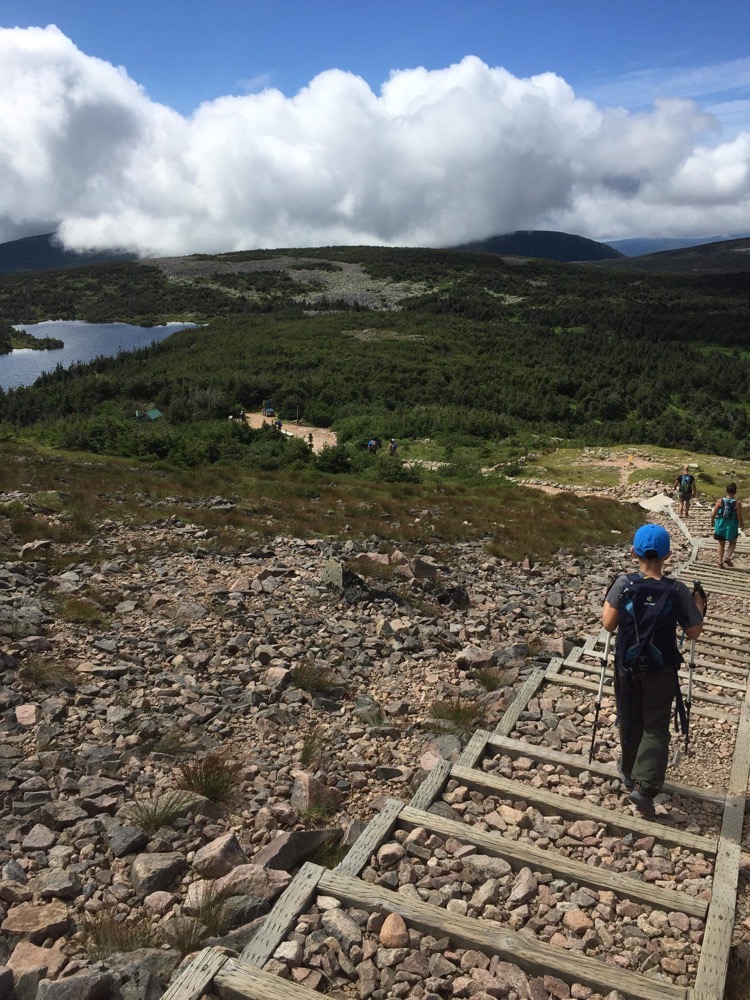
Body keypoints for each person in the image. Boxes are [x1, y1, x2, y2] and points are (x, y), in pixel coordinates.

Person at [602, 524, 704, 818]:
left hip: (627, 665)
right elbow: (694, 631)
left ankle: (629, 770)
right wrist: (698, 605)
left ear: (633, 552)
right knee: (656, 724)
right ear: (668, 555)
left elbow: (608, 624)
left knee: (630, 716)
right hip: (661, 670)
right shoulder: (677, 590)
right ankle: (645, 788)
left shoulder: (623, 584)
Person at [711, 483, 744, 568]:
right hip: (732, 525)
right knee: (732, 542)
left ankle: (720, 562)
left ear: (726, 491)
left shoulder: (720, 501)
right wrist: (741, 524)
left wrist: (712, 521)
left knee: (721, 544)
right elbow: (739, 516)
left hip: (721, 524)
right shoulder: (737, 503)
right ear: (735, 492)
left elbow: (713, 513)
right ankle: (727, 557)